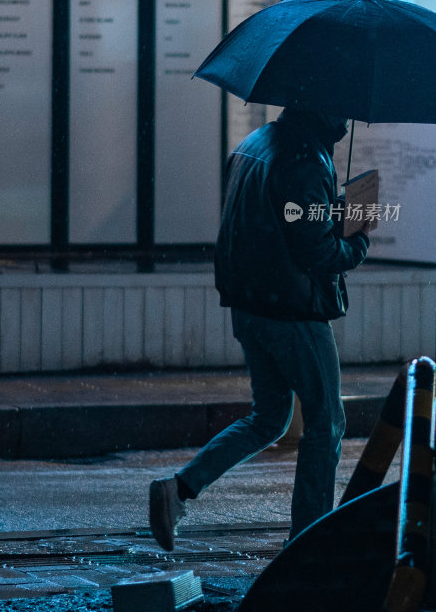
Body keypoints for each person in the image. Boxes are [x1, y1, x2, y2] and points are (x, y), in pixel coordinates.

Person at [149, 107, 370, 551]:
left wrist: (334, 210)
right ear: (320, 102)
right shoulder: (305, 160)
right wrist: (359, 236)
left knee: (269, 418)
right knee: (326, 422)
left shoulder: (256, 145)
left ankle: (179, 490)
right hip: (293, 313)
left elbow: (281, 221)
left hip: (251, 307)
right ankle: (308, 542)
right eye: (340, 107)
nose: (346, 119)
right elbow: (318, 250)